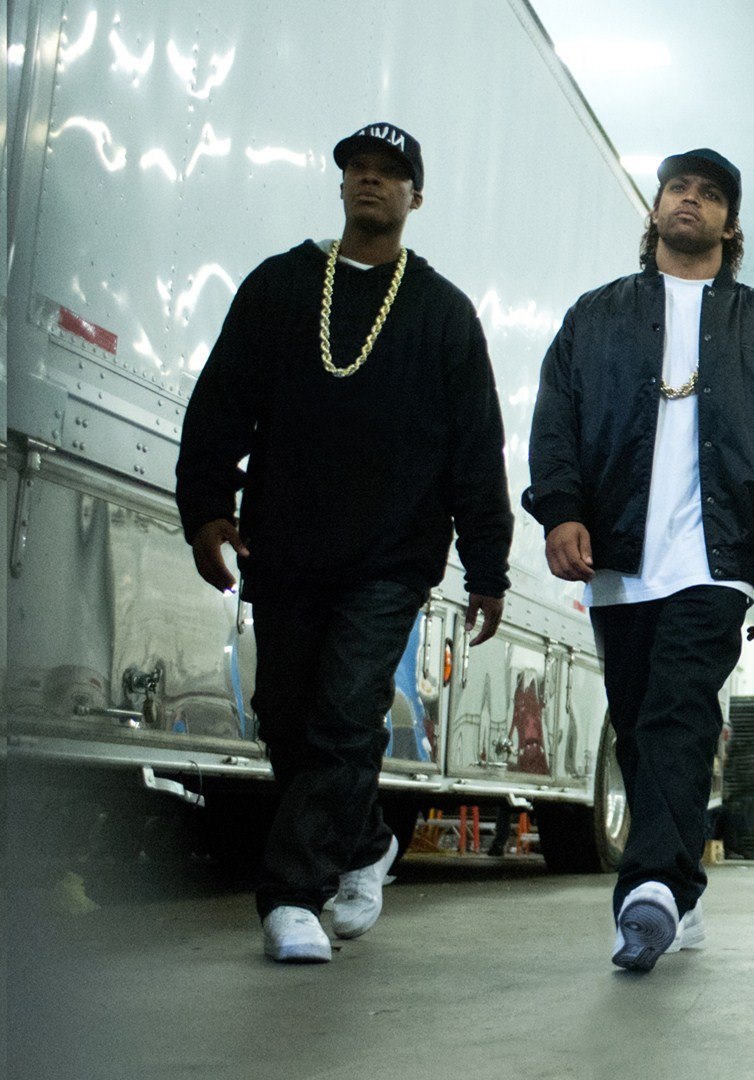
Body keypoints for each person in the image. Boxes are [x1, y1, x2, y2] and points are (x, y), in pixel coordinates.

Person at [177, 123, 512, 963]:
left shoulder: (443, 312)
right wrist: (206, 507)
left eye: (389, 173)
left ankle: (292, 898)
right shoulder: (282, 285)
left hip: (390, 560)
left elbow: (477, 448)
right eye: (358, 168)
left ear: (415, 197)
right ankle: (365, 841)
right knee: (284, 716)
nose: (371, 180)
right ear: (341, 186)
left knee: (346, 712)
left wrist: (488, 566)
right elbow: (221, 402)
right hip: (284, 546)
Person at [524, 148, 754, 974]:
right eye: (679, 188)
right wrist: (561, 510)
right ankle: (682, 887)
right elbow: (556, 418)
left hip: (715, 559)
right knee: (639, 726)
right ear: (655, 209)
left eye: (711, 193)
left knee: (678, 713)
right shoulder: (596, 315)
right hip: (621, 555)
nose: (692, 200)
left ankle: (647, 888)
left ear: (731, 222)